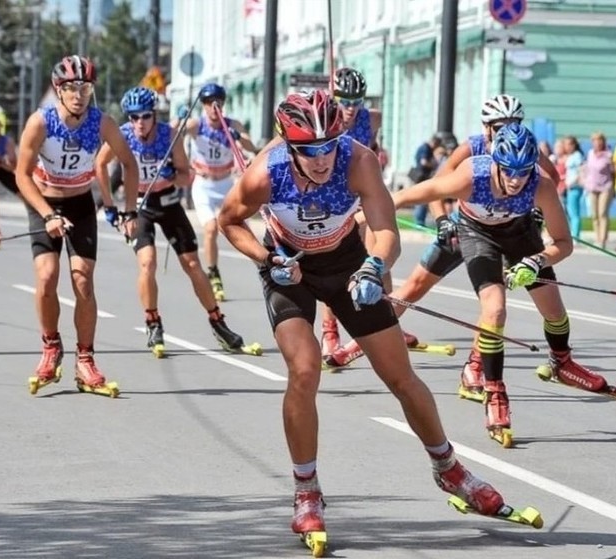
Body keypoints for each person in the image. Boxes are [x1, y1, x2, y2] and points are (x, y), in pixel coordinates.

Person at [217, 90, 513, 545]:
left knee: (400, 375)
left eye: (328, 147)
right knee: (304, 369)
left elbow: (385, 232)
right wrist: (265, 258)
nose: (321, 161)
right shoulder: (265, 172)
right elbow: (229, 221)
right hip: (288, 268)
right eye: (309, 152)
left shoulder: (358, 161)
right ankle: (307, 491)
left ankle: (448, 467)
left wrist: (375, 266)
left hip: (347, 263)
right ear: (290, 147)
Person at [391, 122, 612, 447]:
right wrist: (358, 216)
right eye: (508, 171)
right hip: (476, 234)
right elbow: (408, 195)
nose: (515, 179)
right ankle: (495, 392)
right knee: (494, 311)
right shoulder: (471, 176)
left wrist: (537, 261)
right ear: (495, 162)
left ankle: (562, 363)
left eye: (523, 171)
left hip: (519, 233)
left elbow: (564, 243)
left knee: (554, 310)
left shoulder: (540, 185)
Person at [325, 95, 559, 397]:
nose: (507, 130)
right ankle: (357, 343)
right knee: (414, 287)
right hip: (463, 229)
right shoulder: (471, 149)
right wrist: (442, 220)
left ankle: (475, 367)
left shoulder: (522, 149)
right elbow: (434, 187)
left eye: (514, 124)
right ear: (486, 126)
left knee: (492, 305)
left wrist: (537, 213)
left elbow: (551, 178)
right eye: (501, 125)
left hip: (508, 233)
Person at [15, 55, 139, 396]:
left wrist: (130, 212)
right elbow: (21, 176)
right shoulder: (41, 122)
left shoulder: (103, 123)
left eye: (85, 87)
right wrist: (48, 215)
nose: (79, 94)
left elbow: (129, 164)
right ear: (58, 90)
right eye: (71, 87)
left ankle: (85, 359)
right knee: (46, 276)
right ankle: (51, 347)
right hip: (44, 202)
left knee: (83, 280)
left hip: (81, 203)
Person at [95, 86, 250, 357]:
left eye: (144, 116)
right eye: (133, 117)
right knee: (148, 263)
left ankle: (217, 321)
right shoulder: (124, 134)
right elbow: (100, 165)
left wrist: (171, 174)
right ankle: (153, 322)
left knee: (192, 264)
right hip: (139, 205)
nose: (139, 123)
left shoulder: (169, 135)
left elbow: (185, 176)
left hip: (167, 202)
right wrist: (110, 207)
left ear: (154, 115)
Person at [318, 67, 383, 361]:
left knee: (377, 256)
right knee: (337, 264)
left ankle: (386, 322)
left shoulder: (372, 118)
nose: (350, 108)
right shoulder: (323, 118)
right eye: (344, 100)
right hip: (331, 197)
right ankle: (329, 330)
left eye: (356, 100)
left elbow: (372, 147)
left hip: (359, 193)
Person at [184, 83, 259, 301]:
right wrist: (180, 121)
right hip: (204, 185)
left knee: (242, 227)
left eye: (217, 103)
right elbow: (175, 131)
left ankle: (263, 268)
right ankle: (214, 274)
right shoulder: (197, 125)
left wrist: (238, 136)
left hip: (226, 183)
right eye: (208, 103)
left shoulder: (231, 124)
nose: (213, 108)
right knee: (210, 229)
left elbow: (251, 147)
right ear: (203, 106)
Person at [584, 132, 615, 249]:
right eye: (595, 140)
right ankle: (597, 238)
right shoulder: (590, 154)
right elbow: (587, 169)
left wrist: (614, 189)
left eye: (599, 140)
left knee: (602, 213)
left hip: (605, 187)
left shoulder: (608, 155)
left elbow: (613, 172)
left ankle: (603, 239)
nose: (597, 143)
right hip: (592, 187)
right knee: (594, 215)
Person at [0, 117, 20, 244]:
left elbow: (13, 167)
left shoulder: (7, 142)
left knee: (25, 193)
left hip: (2, 168)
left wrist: (3, 162)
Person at [562, 136, 585, 240]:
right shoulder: (570, 156)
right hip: (568, 187)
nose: (566, 147)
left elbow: (580, 171)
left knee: (574, 212)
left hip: (574, 187)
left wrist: (573, 182)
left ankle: (576, 236)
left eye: (568, 144)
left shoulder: (577, 156)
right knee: (569, 212)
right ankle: (572, 232)